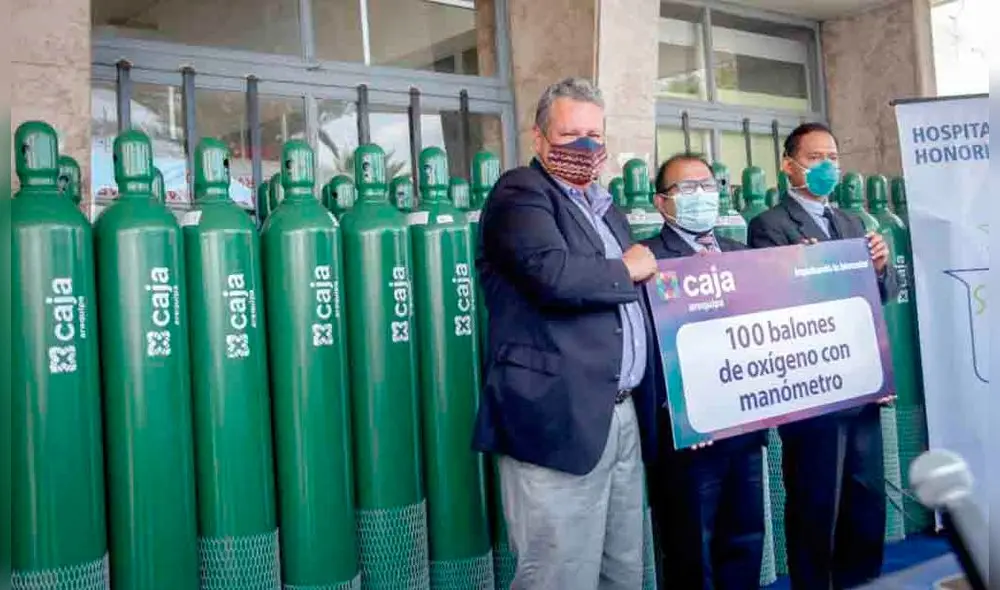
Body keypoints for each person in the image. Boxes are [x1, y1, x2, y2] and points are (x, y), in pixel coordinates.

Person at [472, 77, 658, 590]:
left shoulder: (604, 207)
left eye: (594, 136)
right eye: (571, 134)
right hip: (556, 416)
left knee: (622, 570)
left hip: (619, 415)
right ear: (539, 138)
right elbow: (553, 276)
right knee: (559, 574)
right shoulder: (520, 193)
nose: (585, 147)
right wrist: (628, 267)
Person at [747, 122, 896, 589]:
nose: (826, 167)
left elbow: (882, 296)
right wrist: (805, 271)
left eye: (832, 157)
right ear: (788, 165)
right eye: (815, 158)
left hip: (860, 383)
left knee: (865, 497)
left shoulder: (854, 224)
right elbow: (770, 302)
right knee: (817, 500)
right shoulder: (769, 226)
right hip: (812, 389)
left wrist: (879, 266)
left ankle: (862, 581)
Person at [637, 153, 767, 590]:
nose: (701, 197)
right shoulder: (648, 262)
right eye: (686, 190)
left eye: (708, 187)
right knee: (691, 553)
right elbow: (646, 351)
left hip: (744, 431)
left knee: (745, 540)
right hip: (687, 440)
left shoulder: (741, 256)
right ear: (662, 203)